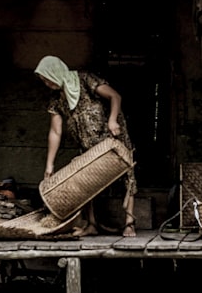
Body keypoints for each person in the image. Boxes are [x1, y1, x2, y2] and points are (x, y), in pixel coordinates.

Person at [35, 55, 137, 237]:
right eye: (43, 80)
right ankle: (92, 224)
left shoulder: (85, 80)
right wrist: (49, 165)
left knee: (126, 176)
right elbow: (55, 132)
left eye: (47, 78)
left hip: (111, 139)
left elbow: (115, 96)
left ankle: (129, 223)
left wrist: (113, 120)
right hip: (88, 146)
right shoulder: (57, 100)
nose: (46, 83)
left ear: (55, 72)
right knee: (86, 182)